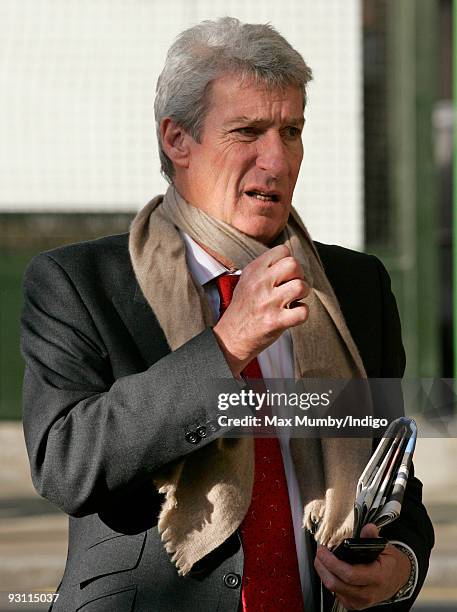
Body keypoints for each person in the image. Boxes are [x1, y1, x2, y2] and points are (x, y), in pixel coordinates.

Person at [21, 17, 433, 612]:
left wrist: (401, 566)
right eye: (249, 131)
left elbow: (394, 475)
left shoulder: (355, 287)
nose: (277, 159)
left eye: (292, 131)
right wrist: (225, 345)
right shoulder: (80, 283)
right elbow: (67, 464)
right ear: (176, 139)